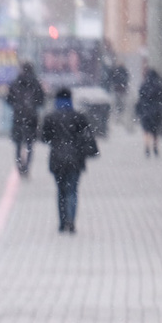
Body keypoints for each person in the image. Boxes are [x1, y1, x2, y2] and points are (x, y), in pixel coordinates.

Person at [40, 87, 98, 234]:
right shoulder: (79, 117)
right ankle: (71, 221)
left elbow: (44, 138)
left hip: (57, 159)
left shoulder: (50, 117)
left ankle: (62, 222)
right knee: (72, 190)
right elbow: (87, 137)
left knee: (60, 190)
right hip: (75, 159)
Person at [5, 62, 45, 176]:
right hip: (32, 117)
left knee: (18, 144)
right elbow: (41, 100)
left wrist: (17, 106)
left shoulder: (15, 83)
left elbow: (8, 99)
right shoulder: (36, 84)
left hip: (18, 116)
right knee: (30, 144)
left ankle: (19, 166)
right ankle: (27, 166)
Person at [135, 68, 162, 158]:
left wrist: (138, 111)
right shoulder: (159, 86)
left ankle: (147, 147)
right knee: (155, 131)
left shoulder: (143, 85)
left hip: (145, 111)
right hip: (156, 111)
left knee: (146, 131)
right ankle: (155, 147)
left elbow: (140, 99)